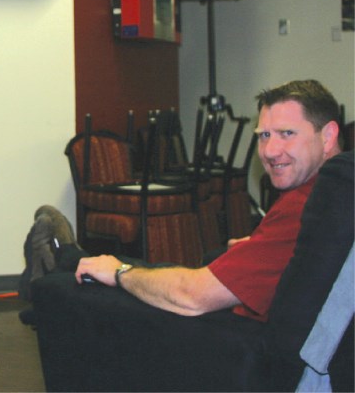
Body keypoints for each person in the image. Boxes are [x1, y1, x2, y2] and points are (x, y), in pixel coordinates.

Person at [20, 79, 343, 323]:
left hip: (237, 346)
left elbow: (192, 296)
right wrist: (263, 245)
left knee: (100, 286)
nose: (270, 151)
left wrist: (120, 272)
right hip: (270, 321)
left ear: (327, 136)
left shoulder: (306, 205)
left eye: (287, 133)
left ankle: (55, 276)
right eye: (264, 135)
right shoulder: (334, 191)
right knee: (165, 268)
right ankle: (72, 262)